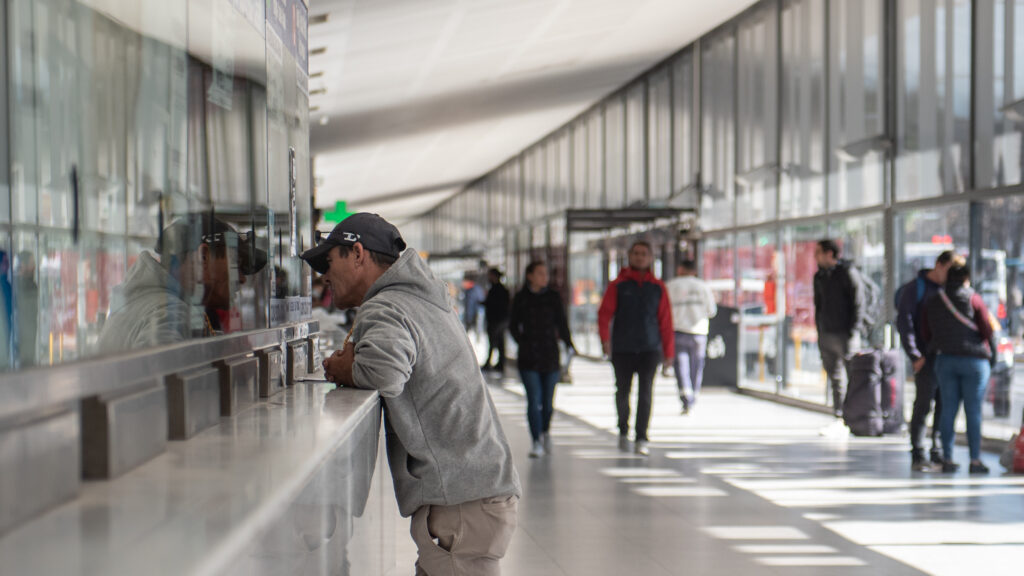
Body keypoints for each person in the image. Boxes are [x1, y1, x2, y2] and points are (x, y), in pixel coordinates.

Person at [309, 212, 520, 576]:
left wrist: (345, 367)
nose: (323, 276)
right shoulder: (418, 298)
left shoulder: (387, 305)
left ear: (357, 253)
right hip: (471, 493)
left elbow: (383, 372)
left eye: (328, 262)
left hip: (461, 501)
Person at [98, 213, 266, 353]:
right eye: (235, 262)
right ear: (203, 257)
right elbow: (165, 386)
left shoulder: (152, 304)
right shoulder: (170, 311)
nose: (242, 278)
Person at [597, 241, 674, 456]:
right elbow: (604, 314)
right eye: (636, 253)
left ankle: (642, 436)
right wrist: (605, 341)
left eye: (644, 254)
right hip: (623, 348)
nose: (640, 257)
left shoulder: (658, 287)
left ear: (650, 258)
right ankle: (623, 429)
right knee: (622, 391)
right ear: (629, 256)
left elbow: (666, 321)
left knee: (646, 392)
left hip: (650, 348)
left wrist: (669, 352)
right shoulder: (618, 285)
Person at [921, 264, 997, 475]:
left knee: (948, 410)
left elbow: (927, 331)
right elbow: (987, 329)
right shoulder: (973, 298)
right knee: (973, 412)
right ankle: (975, 460)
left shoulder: (934, 300)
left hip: (945, 359)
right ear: (965, 278)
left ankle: (947, 458)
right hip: (974, 361)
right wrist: (993, 355)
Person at [896, 250, 963, 471]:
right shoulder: (915, 289)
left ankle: (937, 451)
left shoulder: (949, 290)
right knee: (923, 404)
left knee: (944, 405)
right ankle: (917, 452)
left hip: (947, 358)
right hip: (925, 358)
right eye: (949, 269)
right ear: (939, 265)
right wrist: (915, 355)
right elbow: (905, 324)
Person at [509, 261, 575, 458]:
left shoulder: (553, 298)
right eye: (540, 273)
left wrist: (569, 344)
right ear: (529, 275)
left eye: (545, 273)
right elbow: (513, 325)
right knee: (533, 398)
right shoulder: (521, 298)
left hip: (550, 355)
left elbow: (562, 324)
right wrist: (523, 342)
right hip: (529, 356)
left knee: (547, 401)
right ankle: (535, 440)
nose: (544, 277)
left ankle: (545, 431)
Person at [812, 239, 866, 418]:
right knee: (835, 378)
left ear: (829, 253)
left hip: (846, 334)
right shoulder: (819, 276)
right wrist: (819, 329)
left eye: (818, 252)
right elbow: (818, 305)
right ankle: (840, 415)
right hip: (826, 333)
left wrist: (854, 330)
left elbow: (859, 302)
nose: (815, 257)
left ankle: (855, 415)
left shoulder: (847, 273)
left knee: (853, 375)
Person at [665, 259, 717, 414]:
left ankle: (685, 396)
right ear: (694, 270)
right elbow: (711, 311)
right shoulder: (703, 287)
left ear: (680, 269)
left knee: (681, 366)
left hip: (678, 330)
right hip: (699, 332)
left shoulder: (670, 286)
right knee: (697, 365)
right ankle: (693, 394)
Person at [482, 267, 510, 372]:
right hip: (501, 320)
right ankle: (500, 363)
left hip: (496, 320)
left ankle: (491, 363)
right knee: (499, 341)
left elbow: (493, 304)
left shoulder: (496, 290)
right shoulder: (502, 289)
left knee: (493, 341)